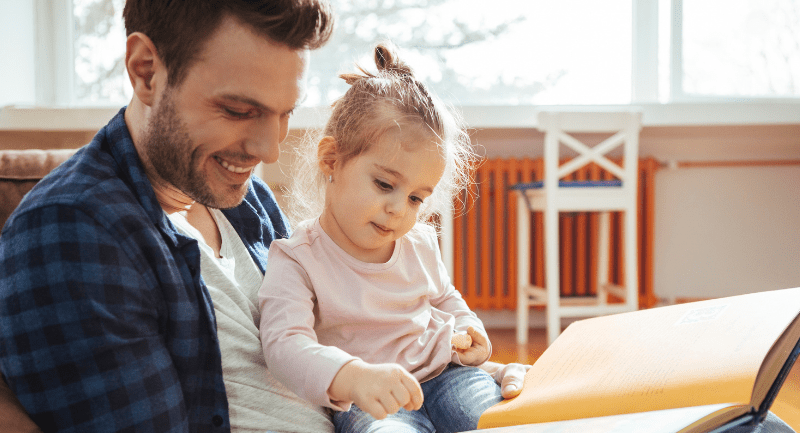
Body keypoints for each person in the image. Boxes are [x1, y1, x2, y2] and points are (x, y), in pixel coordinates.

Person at [0, 1, 529, 432]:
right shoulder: (76, 232)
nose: (269, 150)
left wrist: (472, 372)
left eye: (285, 114)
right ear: (146, 71)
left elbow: (340, 339)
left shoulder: (237, 197)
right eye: (239, 110)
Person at [259, 43, 501, 433]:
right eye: (385, 184)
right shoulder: (297, 258)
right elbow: (284, 346)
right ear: (331, 160)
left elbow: (444, 297)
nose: (399, 209)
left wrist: (469, 328)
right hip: (369, 397)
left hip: (447, 374)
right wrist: (353, 377)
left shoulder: (418, 241)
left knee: (493, 422)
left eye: (416, 197)